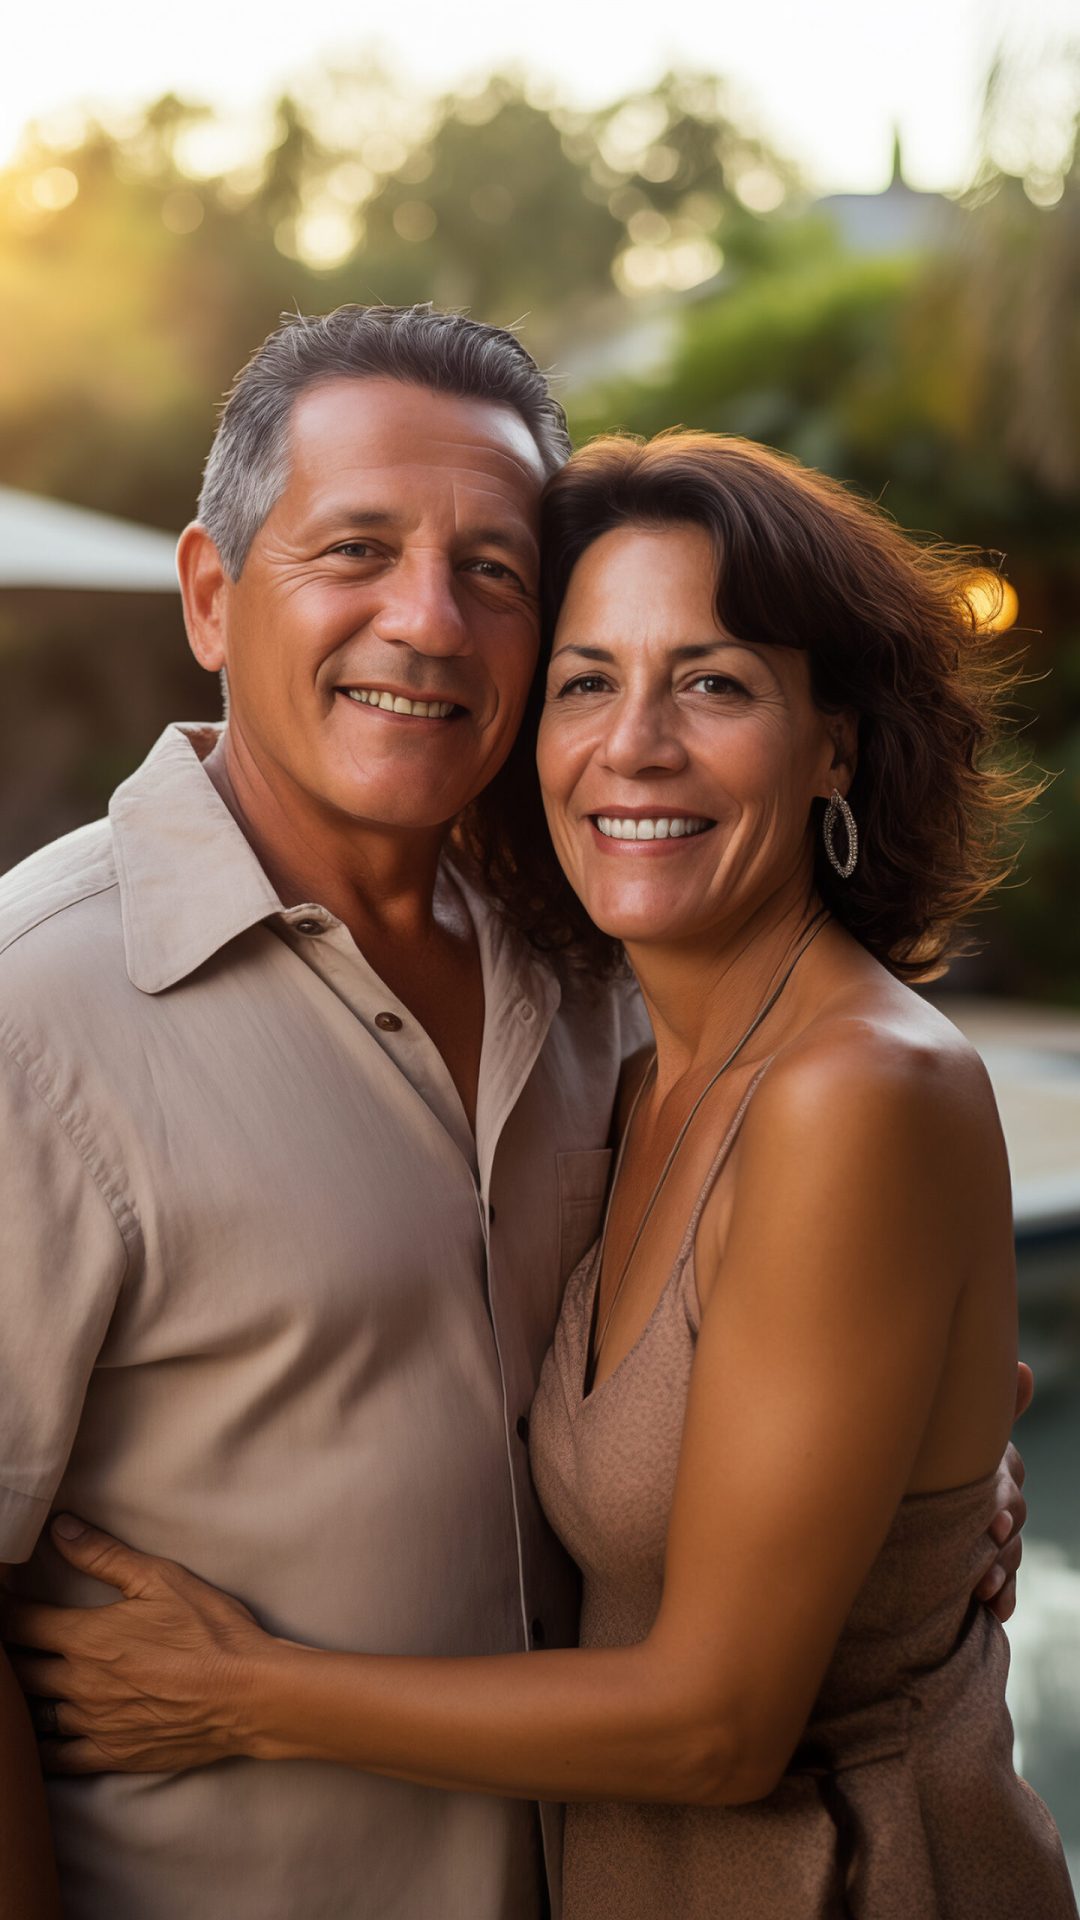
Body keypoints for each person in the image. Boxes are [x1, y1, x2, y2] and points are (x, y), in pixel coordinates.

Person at [6, 430, 1069, 1920]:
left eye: (714, 680)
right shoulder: (622, 1048)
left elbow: (717, 1724)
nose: (635, 742)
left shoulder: (855, 1094)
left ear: (835, 738)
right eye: (586, 679)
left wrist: (242, 1693)